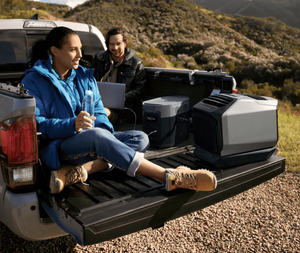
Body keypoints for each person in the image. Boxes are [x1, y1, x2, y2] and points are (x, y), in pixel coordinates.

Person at [21, 26, 217, 194]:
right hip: (60, 146)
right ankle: (168, 176)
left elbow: (98, 112)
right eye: (73, 50)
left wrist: (103, 132)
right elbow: (37, 124)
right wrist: (72, 124)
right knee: (98, 136)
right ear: (54, 51)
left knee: (140, 138)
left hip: (92, 140)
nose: (80, 55)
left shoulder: (85, 76)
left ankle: (81, 171)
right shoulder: (34, 80)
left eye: (80, 49)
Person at [93, 27, 146, 124]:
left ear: (125, 44)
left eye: (118, 44)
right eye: (112, 44)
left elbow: (140, 90)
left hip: (122, 111)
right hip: (97, 103)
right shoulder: (100, 59)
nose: (115, 47)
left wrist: (122, 97)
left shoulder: (136, 63)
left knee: (99, 113)